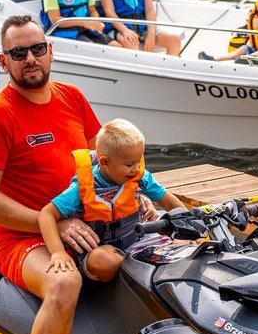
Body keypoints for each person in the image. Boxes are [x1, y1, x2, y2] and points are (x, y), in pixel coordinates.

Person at [0, 15, 105, 334]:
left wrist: (138, 196)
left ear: (50, 51)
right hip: (20, 239)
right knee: (64, 285)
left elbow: (102, 161)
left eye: (37, 48)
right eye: (18, 52)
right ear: (3, 61)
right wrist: (52, 225)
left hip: (82, 225)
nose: (30, 58)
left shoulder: (72, 97)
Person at [38, 119, 186, 283]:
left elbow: (169, 202)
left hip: (137, 240)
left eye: (139, 161)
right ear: (105, 162)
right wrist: (58, 252)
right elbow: (47, 214)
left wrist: (188, 225)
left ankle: (141, 271)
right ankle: (132, 281)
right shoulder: (81, 187)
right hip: (99, 250)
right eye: (130, 164)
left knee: (184, 247)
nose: (136, 168)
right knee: (104, 261)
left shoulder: (138, 176)